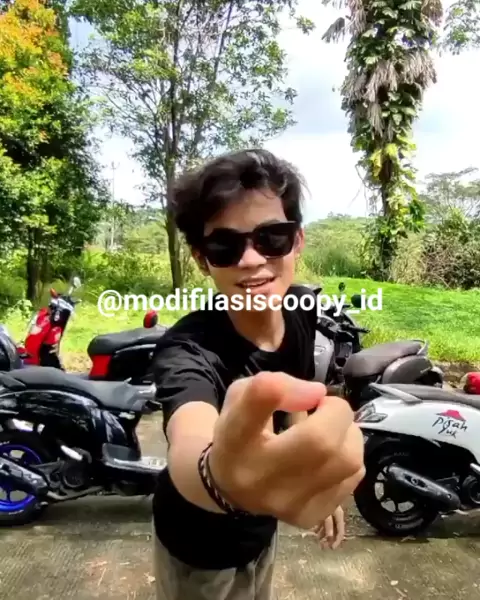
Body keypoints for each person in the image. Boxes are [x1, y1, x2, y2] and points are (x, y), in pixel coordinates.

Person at [150, 148, 365, 600]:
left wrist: (310, 471)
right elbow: (189, 441)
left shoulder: (301, 310)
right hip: (198, 551)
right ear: (202, 259)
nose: (250, 260)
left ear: (297, 241)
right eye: (224, 246)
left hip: (264, 529)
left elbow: (298, 401)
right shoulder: (186, 348)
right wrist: (221, 475)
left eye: (271, 237)